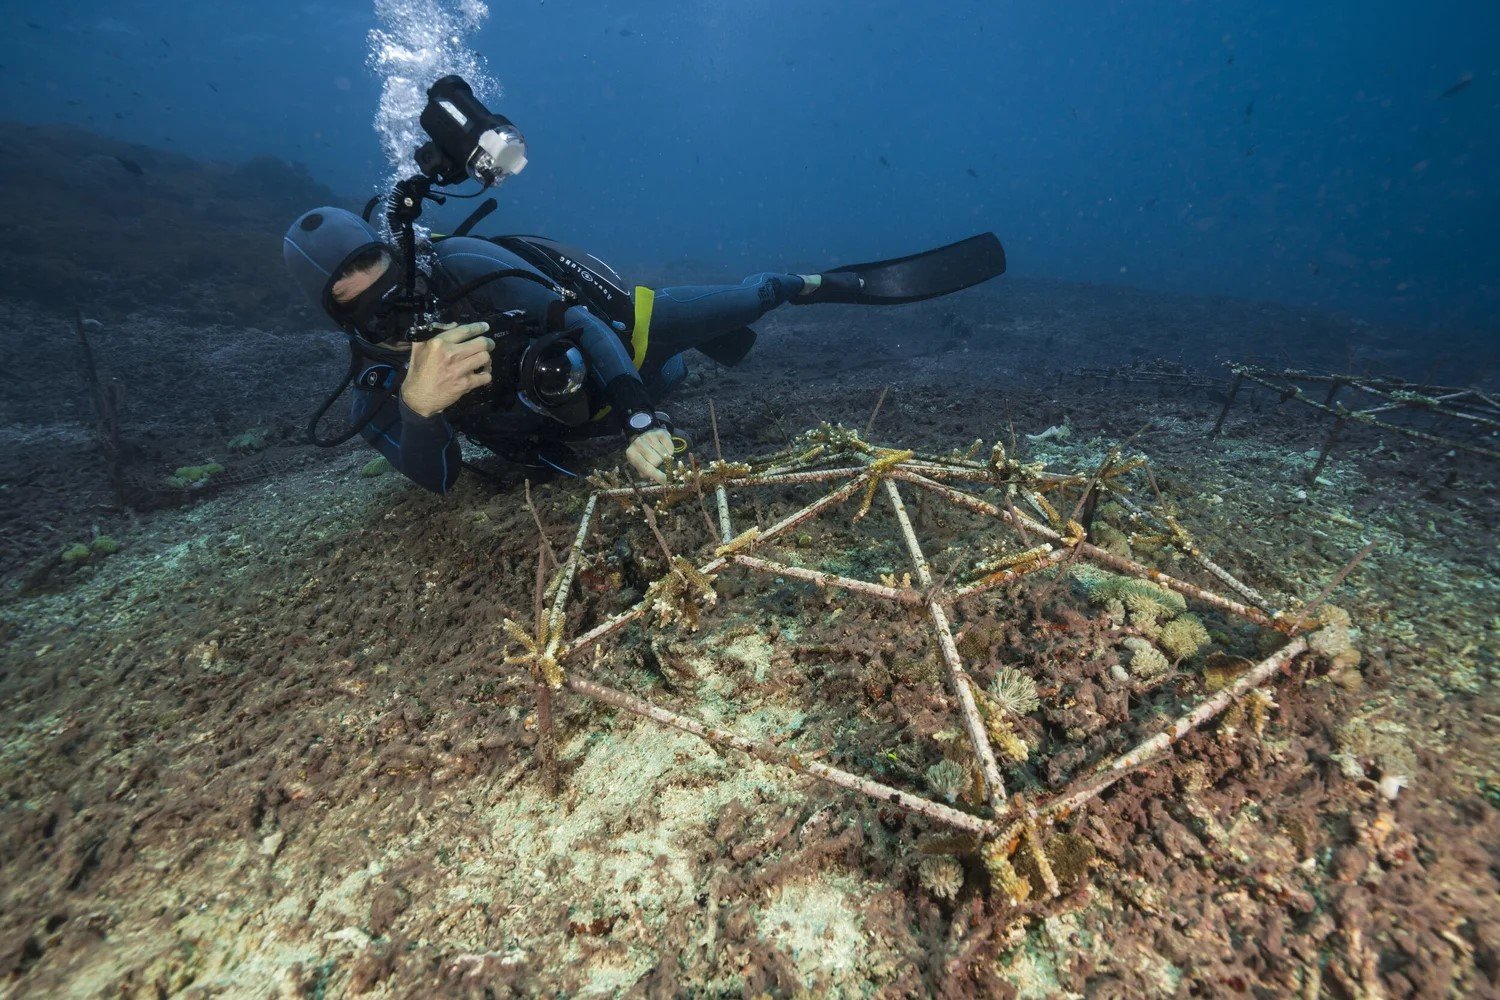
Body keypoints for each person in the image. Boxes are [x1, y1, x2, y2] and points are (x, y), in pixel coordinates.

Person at [282, 206, 870, 492]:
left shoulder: (462, 266)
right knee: (675, 367)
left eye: (385, 274)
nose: (398, 314)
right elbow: (437, 479)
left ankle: (798, 285)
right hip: (568, 426)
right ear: (337, 318)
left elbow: (583, 320)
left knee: (739, 306)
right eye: (361, 303)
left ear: (399, 256)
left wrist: (642, 420)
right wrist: (419, 408)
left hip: (626, 347)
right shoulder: (373, 391)